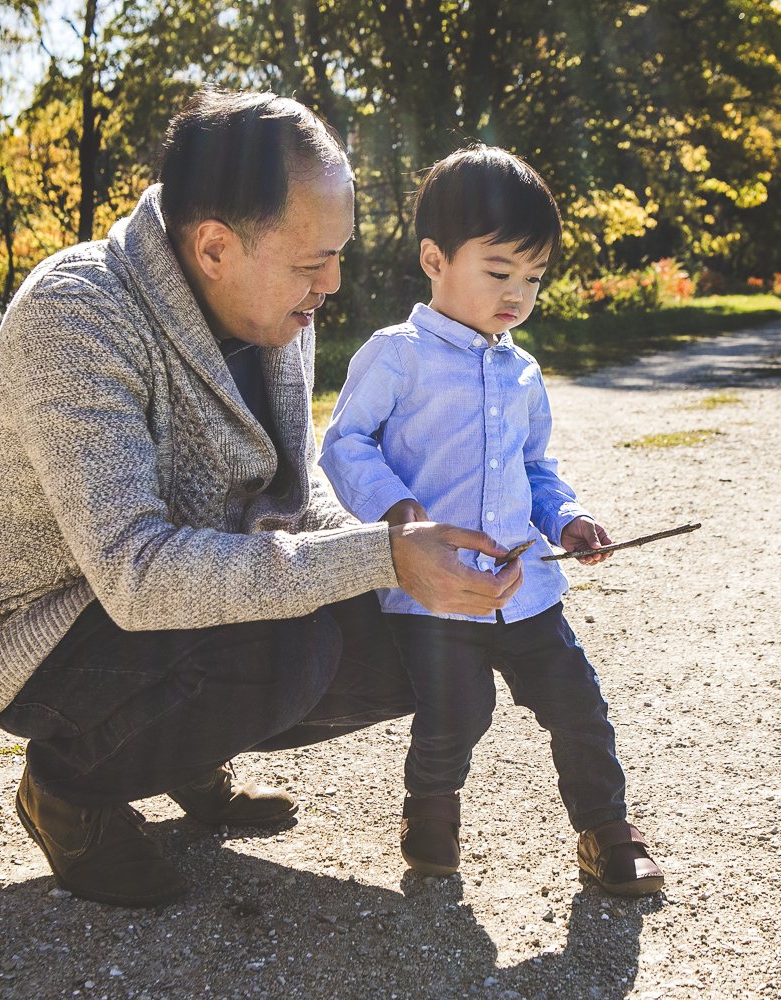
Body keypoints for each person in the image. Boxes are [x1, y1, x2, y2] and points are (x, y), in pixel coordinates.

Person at [0, 91, 524, 909]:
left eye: (339, 255)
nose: (334, 283)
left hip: (176, 608)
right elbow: (137, 576)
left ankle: (178, 752)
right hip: (37, 630)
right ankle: (67, 790)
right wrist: (373, 557)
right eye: (314, 261)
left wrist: (396, 557)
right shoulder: (77, 316)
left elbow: (292, 479)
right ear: (214, 247)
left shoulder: (278, 304)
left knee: (422, 651)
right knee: (286, 652)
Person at [318, 145, 665, 896]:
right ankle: (430, 816)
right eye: (500, 271)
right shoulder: (397, 356)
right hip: (437, 591)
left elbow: (536, 467)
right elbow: (344, 442)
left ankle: (607, 833)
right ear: (435, 259)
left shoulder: (522, 369)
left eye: (534, 278)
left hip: (527, 584)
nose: (518, 294)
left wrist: (567, 517)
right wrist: (396, 511)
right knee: (455, 713)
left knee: (578, 705)